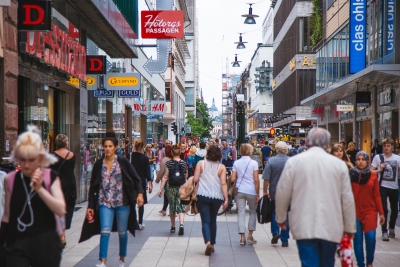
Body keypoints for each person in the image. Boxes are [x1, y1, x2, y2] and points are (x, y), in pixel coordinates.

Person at [275, 128, 356, 267]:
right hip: (331, 224)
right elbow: (347, 199)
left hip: (304, 224)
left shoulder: (294, 162)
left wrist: (280, 218)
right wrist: (349, 226)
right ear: (327, 144)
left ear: (307, 142)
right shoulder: (339, 165)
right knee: (327, 262)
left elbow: (283, 192)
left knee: (309, 262)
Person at [1, 125, 66, 266]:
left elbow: (61, 209)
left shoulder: (50, 177)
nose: (26, 164)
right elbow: (7, 214)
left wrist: (40, 190)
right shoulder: (10, 179)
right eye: (22, 159)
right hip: (17, 241)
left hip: (45, 242)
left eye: (31, 159)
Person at [79, 131, 144, 267]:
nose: (107, 149)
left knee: (122, 231)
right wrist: (90, 206)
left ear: (115, 147)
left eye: (110, 146)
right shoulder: (98, 164)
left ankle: (121, 259)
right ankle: (103, 261)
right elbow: (93, 186)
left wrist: (140, 194)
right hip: (104, 202)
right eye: (105, 146)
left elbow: (136, 178)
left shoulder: (123, 162)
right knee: (105, 230)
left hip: (122, 202)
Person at [350, 151, 385, 267]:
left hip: (370, 210)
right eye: (358, 159)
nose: (360, 161)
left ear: (367, 161)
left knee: (370, 238)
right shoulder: (351, 174)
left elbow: (376, 195)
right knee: (358, 240)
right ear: (356, 161)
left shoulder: (373, 175)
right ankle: (361, 264)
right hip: (354, 211)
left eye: (363, 159)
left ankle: (369, 262)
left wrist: (381, 213)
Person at [194, 146, 228, 255]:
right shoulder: (221, 167)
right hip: (217, 197)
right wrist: (226, 198)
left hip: (202, 195)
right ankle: (212, 244)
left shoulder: (200, 163)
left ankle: (207, 242)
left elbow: (195, 179)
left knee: (205, 221)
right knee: (213, 220)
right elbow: (223, 183)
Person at [50, 134, 77, 248]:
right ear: (66, 143)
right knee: (67, 210)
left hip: (57, 185)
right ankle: (62, 233)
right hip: (70, 186)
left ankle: (60, 234)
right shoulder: (72, 155)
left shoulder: (52, 155)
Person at [370, 137, 400, 241]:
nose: (386, 148)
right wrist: (380, 169)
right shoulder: (378, 158)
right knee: (384, 209)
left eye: (388, 146)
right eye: (385, 146)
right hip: (382, 186)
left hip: (394, 187)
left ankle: (392, 227)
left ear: (392, 147)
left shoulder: (397, 158)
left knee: (395, 209)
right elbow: (370, 171)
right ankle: (384, 231)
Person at [230, 144, 259, 245]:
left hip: (239, 190)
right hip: (251, 190)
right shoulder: (254, 163)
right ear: (250, 151)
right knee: (252, 212)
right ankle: (250, 236)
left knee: (241, 213)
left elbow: (233, 179)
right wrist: (257, 193)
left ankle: (242, 237)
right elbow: (256, 179)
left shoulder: (236, 163)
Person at [262, 141, 290, 247]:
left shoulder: (271, 161)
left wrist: (265, 191)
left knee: (274, 213)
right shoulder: (291, 161)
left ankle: (275, 232)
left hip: (275, 191)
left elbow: (266, 178)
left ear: (276, 149)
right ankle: (285, 239)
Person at [158, 144, 188, 235]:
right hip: (181, 187)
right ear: (180, 153)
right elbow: (186, 176)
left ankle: (173, 226)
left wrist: (161, 188)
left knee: (172, 207)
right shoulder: (183, 163)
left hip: (171, 187)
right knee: (181, 207)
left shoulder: (169, 163)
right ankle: (181, 224)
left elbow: (165, 176)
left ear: (172, 153)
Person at [131, 139, 153, 230]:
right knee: (141, 203)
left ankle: (133, 222)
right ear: (142, 147)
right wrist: (150, 183)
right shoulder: (144, 158)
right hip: (141, 183)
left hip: (132, 182)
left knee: (132, 203)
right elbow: (147, 172)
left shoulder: (131, 156)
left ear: (134, 146)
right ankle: (140, 222)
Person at [155, 145, 173, 216]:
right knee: (167, 194)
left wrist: (157, 179)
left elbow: (161, 171)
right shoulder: (173, 158)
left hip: (167, 179)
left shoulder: (164, 159)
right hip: (174, 179)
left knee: (167, 194)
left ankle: (168, 210)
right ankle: (165, 209)